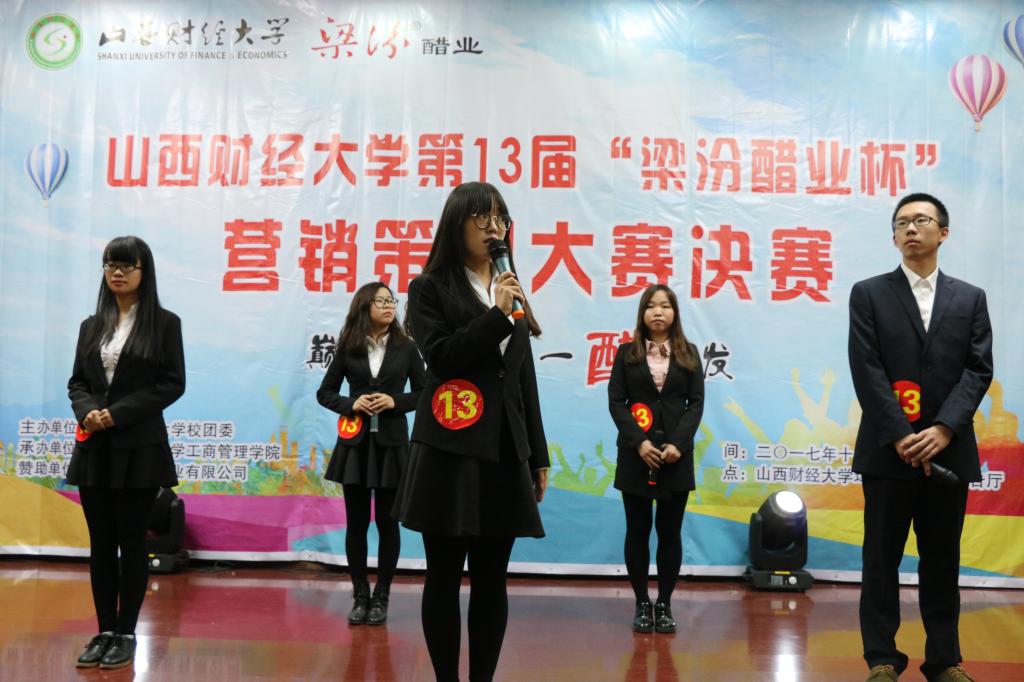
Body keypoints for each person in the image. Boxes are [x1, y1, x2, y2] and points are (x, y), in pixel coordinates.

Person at [394, 181, 549, 682]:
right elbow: (442, 358)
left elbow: (522, 378)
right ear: (455, 224)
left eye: (500, 218)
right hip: (450, 445)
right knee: (443, 574)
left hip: (504, 448)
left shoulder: (510, 284)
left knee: (492, 578)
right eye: (482, 218)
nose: (493, 228)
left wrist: (537, 454)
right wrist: (498, 314)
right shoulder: (429, 287)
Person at [848, 193, 993, 682]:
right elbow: (866, 367)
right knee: (880, 559)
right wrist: (900, 435)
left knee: (942, 560)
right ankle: (881, 659)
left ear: (943, 233)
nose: (911, 228)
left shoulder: (970, 298)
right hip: (888, 452)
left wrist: (944, 428)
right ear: (894, 237)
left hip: (949, 450)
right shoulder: (869, 293)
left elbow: (978, 369)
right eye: (902, 223)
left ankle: (944, 661)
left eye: (922, 220)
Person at [66, 236, 185, 670]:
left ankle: (126, 633)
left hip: (140, 448)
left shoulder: (164, 324)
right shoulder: (91, 325)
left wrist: (116, 414)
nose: (117, 273)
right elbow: (78, 382)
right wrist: (87, 412)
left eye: (126, 265)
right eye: (109, 265)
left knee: (132, 542)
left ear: (143, 271)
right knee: (101, 545)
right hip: (95, 447)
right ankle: (103, 631)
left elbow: (172, 384)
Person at [317, 281, 425, 625]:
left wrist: (395, 402)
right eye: (381, 301)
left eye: (391, 301)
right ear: (364, 306)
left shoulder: (407, 348)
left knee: (388, 525)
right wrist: (352, 403)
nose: (389, 306)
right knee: (357, 524)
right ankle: (360, 595)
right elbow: (325, 392)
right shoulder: (348, 346)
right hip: (356, 446)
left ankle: (382, 596)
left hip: (392, 446)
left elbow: (424, 392)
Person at [607, 284, 704, 634]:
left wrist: (679, 443)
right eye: (651, 306)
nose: (658, 312)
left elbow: (696, 403)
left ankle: (664, 603)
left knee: (669, 533)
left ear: (674, 313)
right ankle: (641, 603)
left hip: (675, 457)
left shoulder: (689, 353)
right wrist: (639, 443)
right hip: (637, 456)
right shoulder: (626, 353)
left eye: (665, 306)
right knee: (637, 532)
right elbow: (616, 401)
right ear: (642, 313)